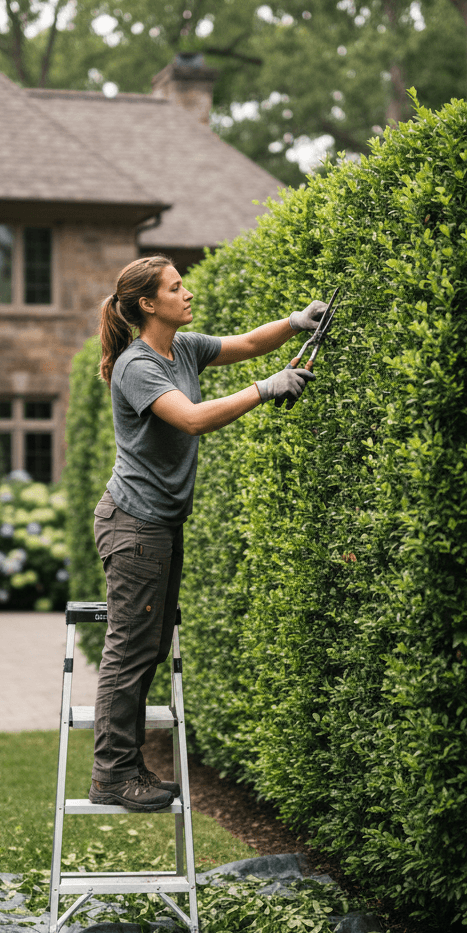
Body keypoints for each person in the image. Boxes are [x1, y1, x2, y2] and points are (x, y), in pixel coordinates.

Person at [88, 254, 326, 812]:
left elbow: (245, 344)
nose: (187, 292)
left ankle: (127, 768)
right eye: (176, 287)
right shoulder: (136, 364)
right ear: (148, 304)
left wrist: (297, 322)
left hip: (160, 525)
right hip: (135, 524)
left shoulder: (184, 348)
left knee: (146, 649)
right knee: (129, 651)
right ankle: (110, 775)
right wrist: (266, 390)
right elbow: (191, 418)